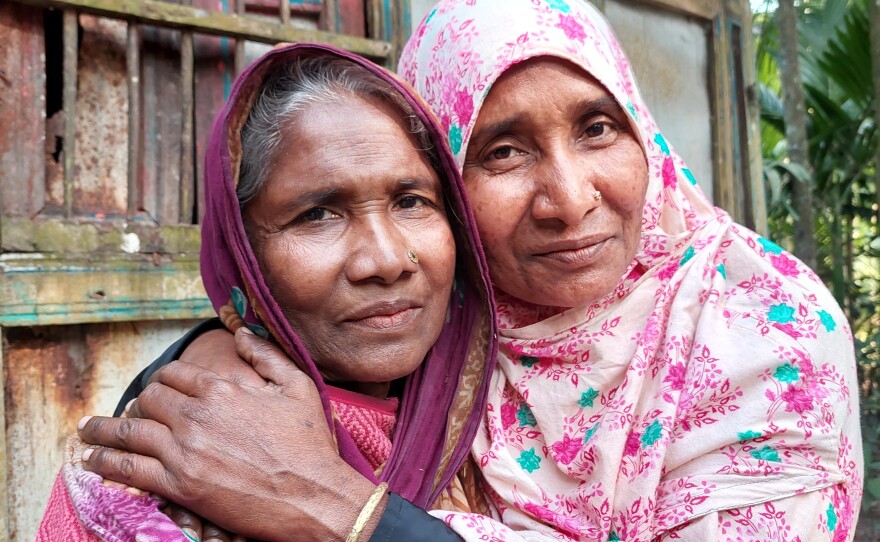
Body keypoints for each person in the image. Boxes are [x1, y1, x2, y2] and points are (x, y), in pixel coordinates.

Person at [77, 0, 864, 540]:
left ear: (645, 137)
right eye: (503, 151)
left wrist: (338, 510)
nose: (568, 199)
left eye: (598, 128)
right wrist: (199, 357)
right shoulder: (426, 328)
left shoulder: (759, 329)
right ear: (449, 180)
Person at [37, 43, 496, 542]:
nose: (385, 261)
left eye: (411, 201)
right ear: (241, 253)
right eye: (317, 214)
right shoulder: (177, 465)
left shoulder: (491, 405)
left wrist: (335, 506)